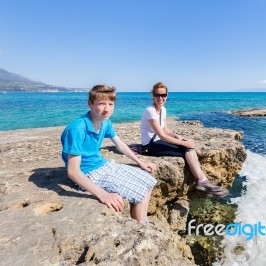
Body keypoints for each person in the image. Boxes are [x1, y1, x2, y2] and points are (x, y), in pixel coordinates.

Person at [61, 85, 157, 223]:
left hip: (103, 165)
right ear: (90, 104)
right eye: (101, 104)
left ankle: (143, 221)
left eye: (110, 104)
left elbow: (121, 145)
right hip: (88, 173)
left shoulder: (105, 123)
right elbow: (73, 171)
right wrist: (104, 195)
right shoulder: (77, 129)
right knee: (140, 193)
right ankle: (141, 226)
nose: (107, 108)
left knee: (149, 181)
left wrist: (141, 163)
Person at [140, 82, 228, 197]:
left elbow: (165, 129)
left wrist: (178, 136)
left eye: (163, 95)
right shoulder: (150, 111)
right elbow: (161, 135)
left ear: (167, 95)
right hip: (150, 146)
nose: (160, 98)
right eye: (157, 95)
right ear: (153, 95)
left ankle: (203, 182)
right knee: (188, 148)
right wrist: (183, 143)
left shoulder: (163, 110)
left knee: (189, 147)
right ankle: (202, 181)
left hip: (159, 141)